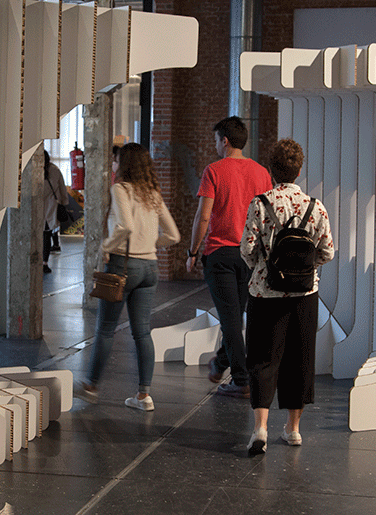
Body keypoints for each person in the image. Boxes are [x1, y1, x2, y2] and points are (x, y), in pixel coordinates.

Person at [239, 138, 334, 455]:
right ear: (299, 169)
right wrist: (305, 270)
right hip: (304, 294)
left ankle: (260, 428)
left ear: (271, 169)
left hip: (265, 292)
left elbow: (248, 250)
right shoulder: (315, 206)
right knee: (300, 358)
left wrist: (265, 269)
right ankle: (293, 430)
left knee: (263, 358)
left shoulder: (260, 204)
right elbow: (328, 252)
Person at [75, 143, 180, 410]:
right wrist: (152, 244)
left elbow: (125, 225)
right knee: (142, 333)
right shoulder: (152, 193)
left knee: (105, 329)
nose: (113, 165)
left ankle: (91, 385)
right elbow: (173, 235)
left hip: (123, 265)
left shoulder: (121, 189)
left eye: (116, 161)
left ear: (125, 164)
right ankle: (144, 395)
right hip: (150, 268)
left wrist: (106, 246)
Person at [186, 116, 272, 397]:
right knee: (234, 317)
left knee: (231, 320)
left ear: (225, 141)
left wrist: (192, 252)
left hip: (220, 254)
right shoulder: (262, 173)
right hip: (251, 255)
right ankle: (221, 362)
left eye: (215, 140)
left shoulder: (214, 171)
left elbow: (203, 217)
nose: (215, 146)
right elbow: (266, 218)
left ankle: (241, 379)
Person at [42, 150, 68, 273]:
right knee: (47, 234)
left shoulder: (34, 171)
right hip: (51, 208)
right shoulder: (55, 170)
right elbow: (62, 187)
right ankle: (44, 262)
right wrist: (64, 202)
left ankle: (38, 261)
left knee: (40, 235)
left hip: (39, 209)